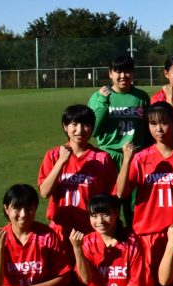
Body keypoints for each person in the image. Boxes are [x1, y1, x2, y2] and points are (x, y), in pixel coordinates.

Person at [115, 101, 173, 284]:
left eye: (163, 122)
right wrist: (126, 161)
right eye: (153, 124)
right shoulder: (140, 158)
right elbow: (121, 193)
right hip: (148, 235)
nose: (159, 129)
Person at [50, 194, 147, 286]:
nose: (99, 221)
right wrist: (77, 249)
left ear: (116, 214)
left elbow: (135, 284)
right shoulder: (88, 241)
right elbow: (86, 280)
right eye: (94, 216)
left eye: (105, 214)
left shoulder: (132, 241)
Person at [37, 104, 117, 248]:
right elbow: (44, 192)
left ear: (92, 127)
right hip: (60, 230)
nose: (79, 130)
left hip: (91, 230)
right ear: (65, 126)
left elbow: (111, 198)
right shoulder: (53, 155)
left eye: (85, 124)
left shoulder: (102, 158)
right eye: (74, 124)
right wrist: (61, 162)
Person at [87, 54, 151, 167]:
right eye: (118, 71)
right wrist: (103, 102)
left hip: (136, 156)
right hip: (109, 155)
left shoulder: (142, 97)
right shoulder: (98, 97)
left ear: (133, 73)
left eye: (127, 71)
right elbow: (93, 131)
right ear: (110, 73)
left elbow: (148, 130)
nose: (123, 76)